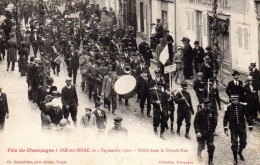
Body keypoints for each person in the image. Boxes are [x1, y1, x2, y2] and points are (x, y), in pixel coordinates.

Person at [224, 95, 253, 165]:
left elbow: (247, 115)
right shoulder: (228, 107)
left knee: (243, 142)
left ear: (238, 100)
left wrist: (250, 124)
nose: (235, 101)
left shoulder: (242, 106)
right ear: (232, 100)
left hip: (242, 127)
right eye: (233, 100)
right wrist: (225, 128)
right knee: (234, 143)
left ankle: (240, 152)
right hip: (233, 128)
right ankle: (235, 158)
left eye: (236, 100)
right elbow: (226, 118)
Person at [194, 99, 217, 165]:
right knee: (201, 146)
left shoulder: (212, 112)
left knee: (211, 146)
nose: (208, 107)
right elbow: (195, 123)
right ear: (204, 106)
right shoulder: (199, 112)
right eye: (206, 106)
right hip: (201, 132)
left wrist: (213, 130)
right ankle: (199, 155)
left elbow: (214, 122)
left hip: (209, 133)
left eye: (209, 106)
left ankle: (210, 161)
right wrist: (197, 132)